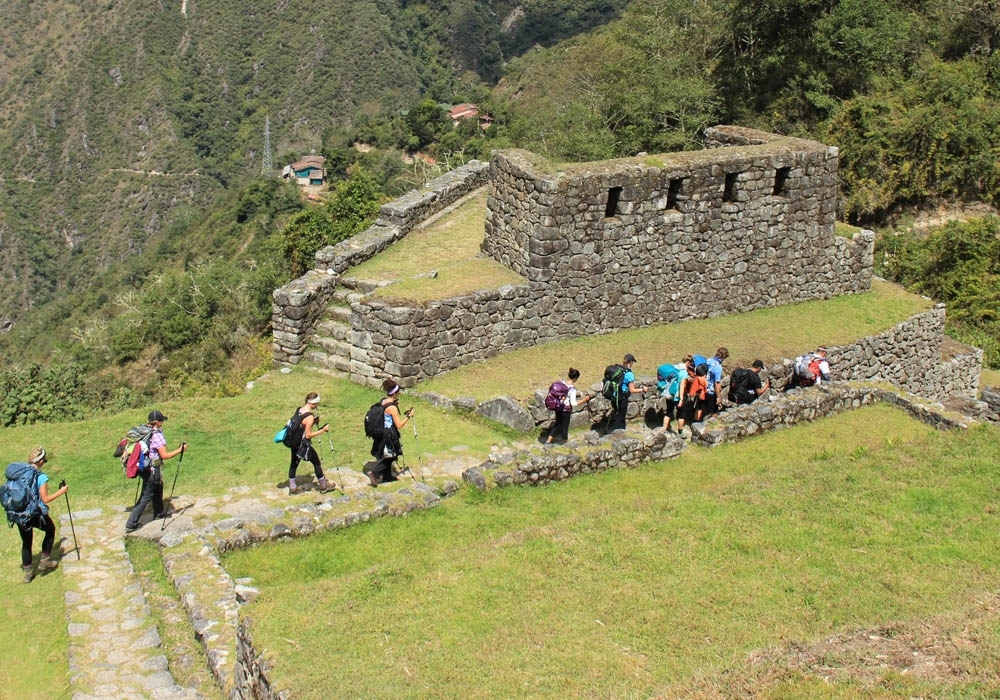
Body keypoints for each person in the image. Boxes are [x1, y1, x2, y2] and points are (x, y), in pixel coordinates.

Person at [125, 410, 187, 533]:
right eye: (162, 420)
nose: (162, 422)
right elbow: (164, 455)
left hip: (145, 468)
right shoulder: (157, 435)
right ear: (158, 422)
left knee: (158, 486)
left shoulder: (144, 431)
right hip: (152, 469)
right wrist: (180, 450)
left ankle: (159, 513)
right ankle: (131, 524)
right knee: (146, 495)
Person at [14, 447, 67, 583]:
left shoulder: (20, 473)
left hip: (20, 513)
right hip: (35, 513)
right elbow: (45, 499)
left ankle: (28, 574)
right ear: (42, 461)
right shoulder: (41, 477)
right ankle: (44, 562)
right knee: (50, 530)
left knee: (26, 542)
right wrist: (62, 491)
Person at [365, 379, 413, 487]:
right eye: (398, 392)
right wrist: (408, 416)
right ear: (395, 393)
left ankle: (388, 477)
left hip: (382, 433)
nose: (399, 394)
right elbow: (399, 425)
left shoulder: (383, 401)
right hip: (388, 435)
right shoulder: (392, 408)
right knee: (390, 457)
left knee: (390, 456)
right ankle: (374, 472)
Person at [286, 393, 336, 495]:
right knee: (316, 462)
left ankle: (293, 487)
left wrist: (313, 423)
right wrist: (323, 430)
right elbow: (308, 435)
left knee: (293, 464)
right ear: (314, 404)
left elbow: (301, 424)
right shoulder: (309, 417)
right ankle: (323, 485)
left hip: (294, 443)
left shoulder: (299, 410)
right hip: (302, 444)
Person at [547, 368, 592, 444]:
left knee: (557, 424)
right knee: (565, 427)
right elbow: (574, 403)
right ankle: (565, 442)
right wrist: (585, 400)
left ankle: (548, 440)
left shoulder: (561, 383)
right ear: (576, 378)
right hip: (566, 410)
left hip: (558, 407)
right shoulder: (572, 389)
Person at [612, 354, 648, 432]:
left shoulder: (619, 370)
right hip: (622, 398)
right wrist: (642, 389)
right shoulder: (629, 374)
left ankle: (616, 429)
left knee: (617, 414)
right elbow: (632, 390)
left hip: (614, 396)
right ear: (631, 362)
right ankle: (619, 433)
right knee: (621, 417)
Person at [675, 362, 708, 438]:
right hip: (701, 396)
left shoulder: (697, 378)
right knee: (699, 408)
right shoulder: (702, 379)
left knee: (698, 408)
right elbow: (705, 387)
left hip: (697, 395)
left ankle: (695, 421)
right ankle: (696, 422)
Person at [704, 347, 729, 416]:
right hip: (711, 391)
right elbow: (717, 383)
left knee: (700, 408)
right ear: (723, 357)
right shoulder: (718, 367)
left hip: (703, 388)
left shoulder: (709, 360)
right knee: (713, 412)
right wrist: (718, 397)